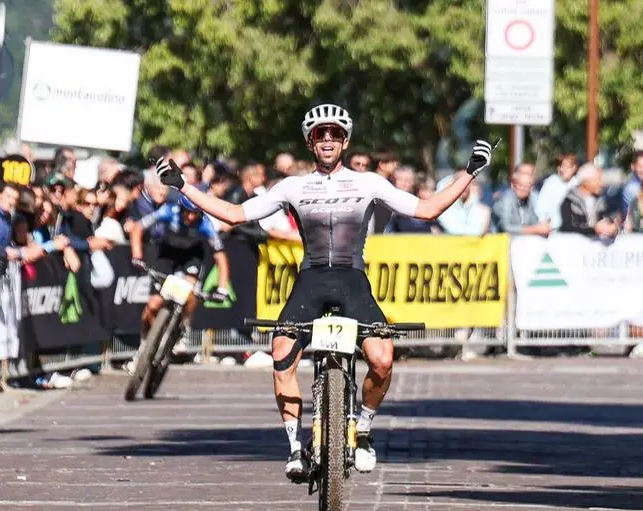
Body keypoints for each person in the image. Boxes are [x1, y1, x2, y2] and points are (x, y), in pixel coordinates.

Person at [153, 103, 494, 481]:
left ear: (345, 141)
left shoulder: (369, 183)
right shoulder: (293, 186)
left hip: (352, 279)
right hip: (311, 278)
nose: (327, 139)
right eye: (320, 134)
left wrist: (468, 173)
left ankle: (362, 429)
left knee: (382, 358)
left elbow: (427, 210)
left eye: (334, 133)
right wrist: (182, 186)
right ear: (310, 142)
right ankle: (295, 448)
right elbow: (234, 215)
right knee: (280, 355)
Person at [129, 193, 232, 343]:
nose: (190, 217)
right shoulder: (167, 211)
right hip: (167, 254)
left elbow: (220, 257)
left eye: (195, 214)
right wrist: (137, 255)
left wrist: (222, 289)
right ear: (180, 208)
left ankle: (184, 328)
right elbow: (137, 227)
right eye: (187, 212)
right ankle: (146, 343)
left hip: (191, 256)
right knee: (153, 305)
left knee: (189, 293)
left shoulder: (206, 224)